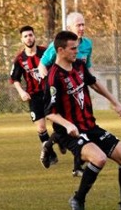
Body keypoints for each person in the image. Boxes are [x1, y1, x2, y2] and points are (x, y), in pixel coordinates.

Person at [44, 30, 121, 210]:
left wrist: (114, 102)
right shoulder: (54, 77)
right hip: (70, 134)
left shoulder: (79, 65)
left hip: (90, 126)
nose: (77, 51)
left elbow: (93, 83)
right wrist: (68, 125)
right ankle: (78, 199)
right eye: (72, 48)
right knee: (99, 159)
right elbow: (50, 112)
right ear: (60, 50)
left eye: (77, 48)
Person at [39, 12, 92, 176]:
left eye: (83, 24)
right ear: (69, 27)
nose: (82, 28)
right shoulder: (58, 44)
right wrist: (50, 85)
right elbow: (42, 65)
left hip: (78, 90)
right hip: (62, 92)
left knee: (80, 125)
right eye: (78, 25)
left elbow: (87, 67)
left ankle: (53, 147)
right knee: (70, 125)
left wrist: (88, 84)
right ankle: (75, 165)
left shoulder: (87, 44)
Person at [10, 25, 58, 168]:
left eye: (30, 35)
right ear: (22, 39)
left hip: (49, 93)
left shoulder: (46, 52)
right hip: (34, 96)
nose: (29, 38)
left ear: (34, 36)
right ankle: (50, 153)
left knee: (57, 123)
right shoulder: (20, 59)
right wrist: (21, 92)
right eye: (25, 36)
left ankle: (60, 141)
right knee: (41, 127)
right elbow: (15, 78)